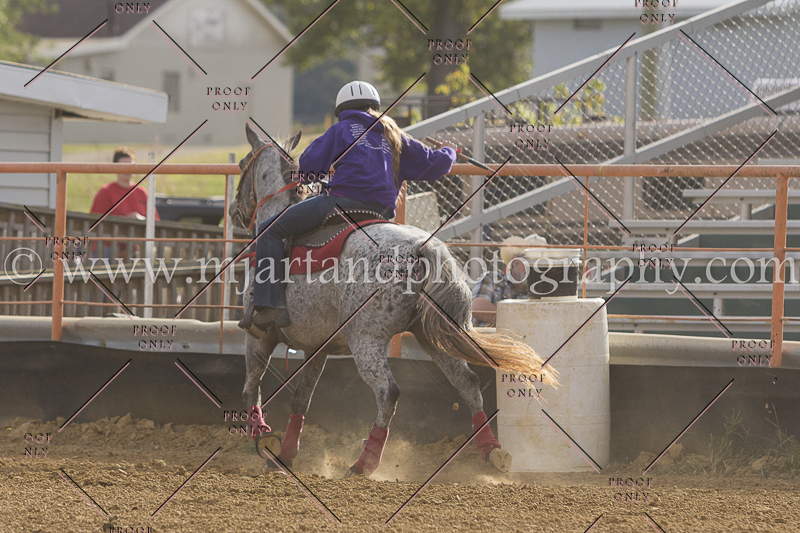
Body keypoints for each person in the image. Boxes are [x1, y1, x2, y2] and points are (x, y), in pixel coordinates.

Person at [241, 80, 458, 332]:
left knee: (269, 229)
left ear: (342, 110)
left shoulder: (340, 130)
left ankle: (269, 306)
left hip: (342, 204)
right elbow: (436, 164)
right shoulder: (393, 134)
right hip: (380, 213)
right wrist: (450, 152)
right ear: (374, 106)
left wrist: (314, 176)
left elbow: (308, 167)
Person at [471, 234, 546, 327]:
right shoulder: (493, 279)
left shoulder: (541, 292)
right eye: (529, 261)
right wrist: (514, 321)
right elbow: (476, 306)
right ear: (515, 261)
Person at [90, 147, 160, 221]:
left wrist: (141, 219)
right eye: (123, 166)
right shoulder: (105, 192)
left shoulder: (142, 193)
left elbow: (155, 222)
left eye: (130, 166)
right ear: (114, 167)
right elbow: (95, 221)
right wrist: (124, 221)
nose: (127, 170)